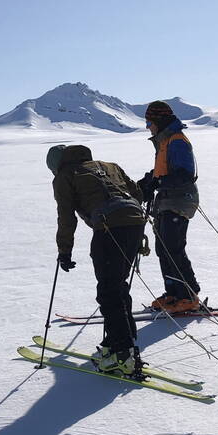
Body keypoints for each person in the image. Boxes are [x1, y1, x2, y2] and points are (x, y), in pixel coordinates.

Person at [47, 144, 147, 376]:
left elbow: (66, 215)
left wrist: (65, 250)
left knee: (109, 291)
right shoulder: (108, 165)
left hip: (109, 225)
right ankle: (121, 344)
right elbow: (137, 193)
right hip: (134, 222)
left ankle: (121, 354)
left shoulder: (65, 175)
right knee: (117, 286)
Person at [138, 101, 202, 314]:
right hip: (167, 200)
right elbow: (162, 170)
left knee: (173, 249)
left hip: (180, 200)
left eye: (149, 122)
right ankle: (174, 293)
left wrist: (158, 183)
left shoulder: (177, 142)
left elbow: (184, 174)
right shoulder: (165, 141)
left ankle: (189, 296)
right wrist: (148, 181)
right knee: (163, 249)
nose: (148, 126)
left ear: (159, 121)